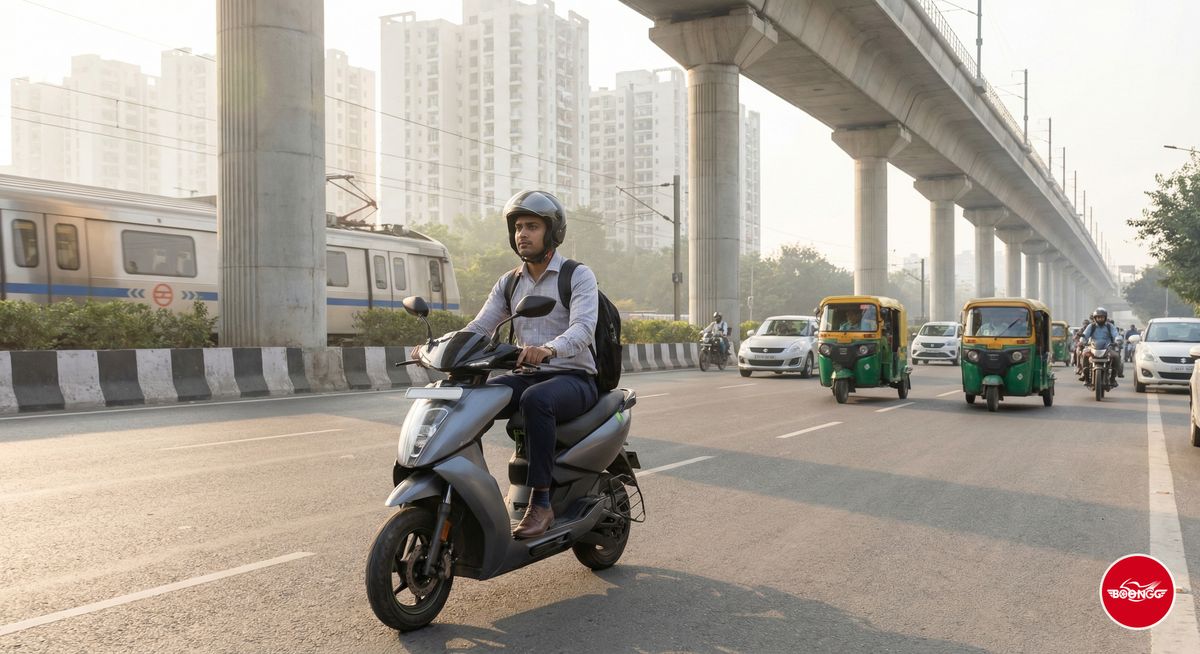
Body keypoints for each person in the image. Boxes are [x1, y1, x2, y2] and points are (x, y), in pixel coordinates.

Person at [415, 190, 599, 539]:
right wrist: (435, 345)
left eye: (531, 226)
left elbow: (582, 329)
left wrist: (548, 349)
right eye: (517, 227)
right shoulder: (510, 281)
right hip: (527, 375)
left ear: (552, 232)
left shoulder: (577, 275)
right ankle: (466, 490)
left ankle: (541, 504)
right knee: (469, 400)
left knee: (537, 401)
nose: (522, 234)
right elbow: (480, 327)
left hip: (573, 378)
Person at [1081, 307, 1123, 386]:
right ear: (1095, 318)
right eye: (1098, 317)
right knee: (1084, 354)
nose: (1100, 319)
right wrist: (1082, 340)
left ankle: (1112, 379)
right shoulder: (1091, 326)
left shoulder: (1109, 326)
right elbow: (1085, 335)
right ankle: (1086, 378)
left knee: (1116, 356)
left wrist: (1118, 340)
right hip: (1093, 348)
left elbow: (1116, 334)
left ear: (1105, 318)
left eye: (1102, 317)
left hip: (1107, 348)